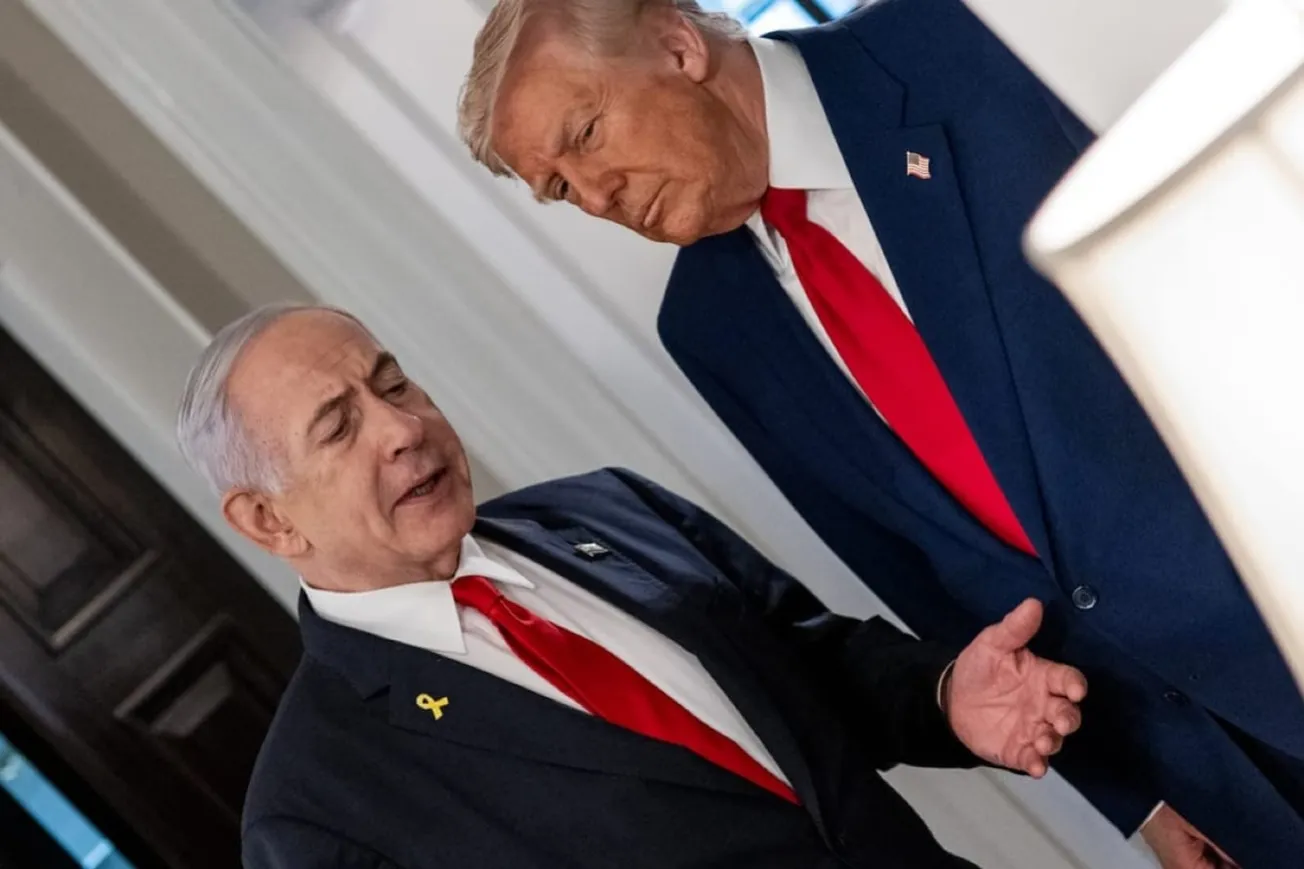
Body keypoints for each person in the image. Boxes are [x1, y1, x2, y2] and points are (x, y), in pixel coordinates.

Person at [456, 0, 1304, 865]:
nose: (597, 195)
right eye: (560, 188)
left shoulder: (956, 38)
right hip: (1208, 772)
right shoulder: (708, 329)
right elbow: (928, 580)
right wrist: (1140, 794)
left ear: (678, 46)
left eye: (586, 134)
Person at [177, 302, 1089, 869]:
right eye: (340, 427)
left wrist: (942, 694)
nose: (403, 428)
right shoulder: (315, 813)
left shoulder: (608, 507)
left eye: (395, 384)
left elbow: (814, 664)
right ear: (267, 520)